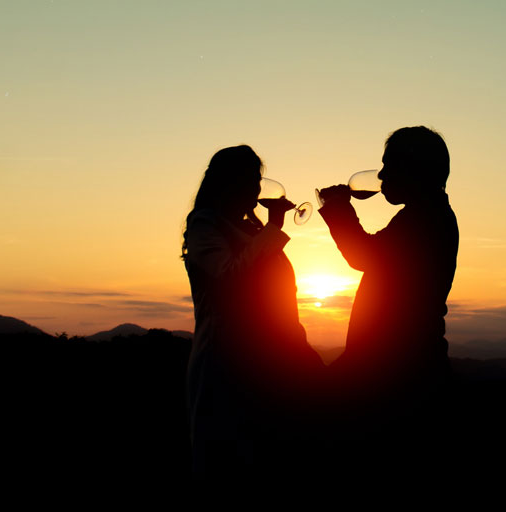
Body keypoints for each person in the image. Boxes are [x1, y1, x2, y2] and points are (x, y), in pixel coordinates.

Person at [318, 127, 459, 473]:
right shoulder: (429, 214)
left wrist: (338, 209)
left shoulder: (423, 220)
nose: (380, 175)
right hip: (403, 371)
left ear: (414, 169)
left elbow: (363, 255)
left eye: (388, 165)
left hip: (397, 379)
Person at [182, 145, 320, 479]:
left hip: (269, 363)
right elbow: (231, 278)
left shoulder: (248, 231)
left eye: (257, 180)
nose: (257, 189)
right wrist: (274, 226)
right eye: (250, 180)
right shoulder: (204, 230)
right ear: (227, 184)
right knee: (229, 460)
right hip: (226, 363)